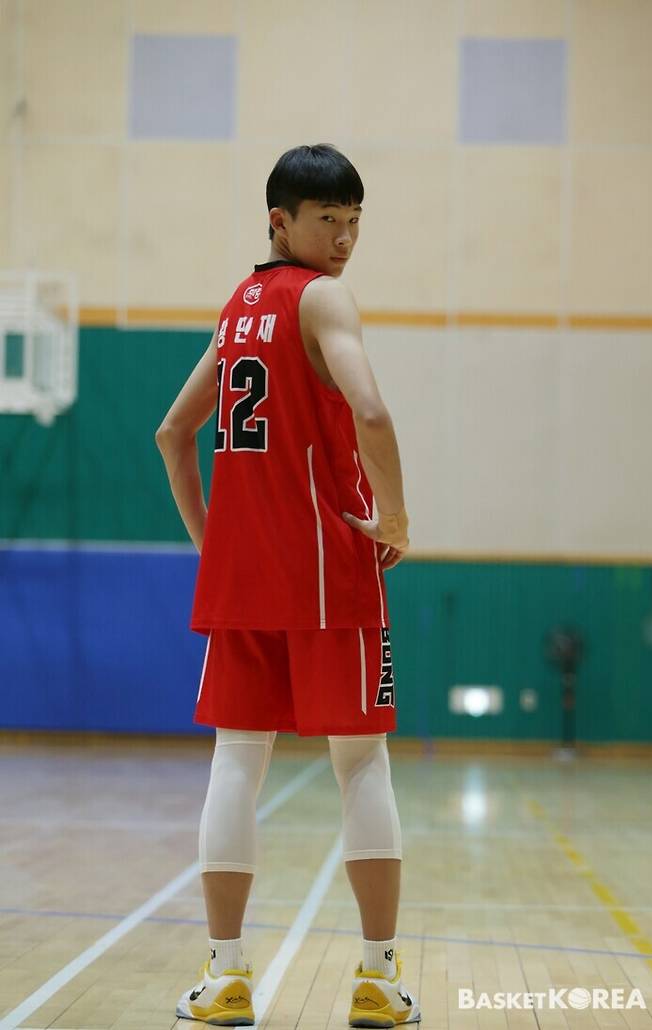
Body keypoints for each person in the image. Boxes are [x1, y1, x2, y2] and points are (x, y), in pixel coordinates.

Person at [155, 143, 420, 1027]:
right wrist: (396, 517)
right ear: (281, 221)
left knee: (236, 760)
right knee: (362, 762)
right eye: (327, 220)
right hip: (330, 571)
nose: (344, 240)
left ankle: (226, 975)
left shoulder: (238, 310)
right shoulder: (323, 298)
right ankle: (378, 979)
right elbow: (371, 410)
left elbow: (171, 434)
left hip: (245, 586)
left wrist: (214, 547)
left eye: (354, 222)